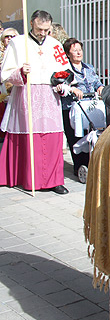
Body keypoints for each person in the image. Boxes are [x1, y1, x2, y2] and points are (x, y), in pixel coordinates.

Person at [0, 10, 74, 194]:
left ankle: (54, 180)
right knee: (28, 138)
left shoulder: (55, 44)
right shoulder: (18, 43)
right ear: (32, 23)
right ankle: (25, 177)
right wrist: (20, 71)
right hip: (27, 94)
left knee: (52, 139)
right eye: (40, 29)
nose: (43, 33)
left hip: (50, 96)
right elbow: (5, 74)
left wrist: (62, 82)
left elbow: (65, 71)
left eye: (46, 29)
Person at [62, 38, 105, 179]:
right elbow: (62, 86)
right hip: (72, 108)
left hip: (90, 106)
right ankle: (79, 166)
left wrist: (100, 87)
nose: (78, 52)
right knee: (76, 136)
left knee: (93, 135)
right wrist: (72, 89)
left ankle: (93, 163)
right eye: (74, 50)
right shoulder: (65, 69)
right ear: (68, 53)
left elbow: (97, 82)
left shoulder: (89, 68)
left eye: (80, 49)